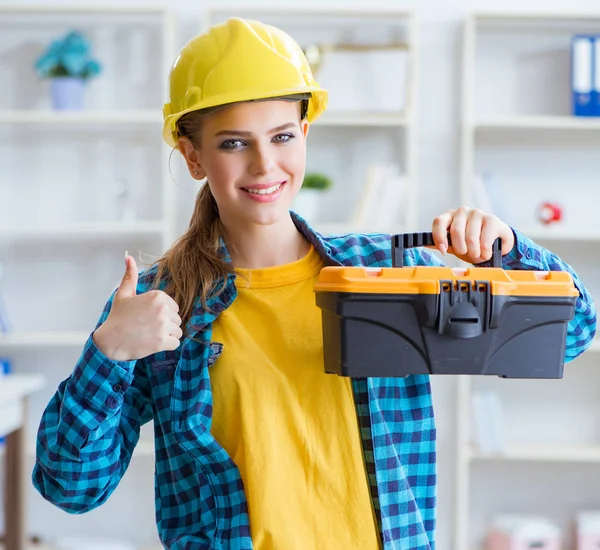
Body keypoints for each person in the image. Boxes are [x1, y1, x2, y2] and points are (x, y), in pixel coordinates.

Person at [32, 17, 596, 550]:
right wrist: (108, 354)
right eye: (233, 143)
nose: (263, 165)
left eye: (281, 137)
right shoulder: (164, 301)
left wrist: (510, 253)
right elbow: (70, 488)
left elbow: (574, 333)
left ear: (304, 133)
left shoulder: (385, 274)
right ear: (193, 156)